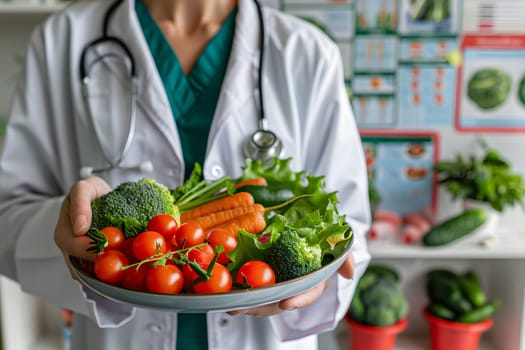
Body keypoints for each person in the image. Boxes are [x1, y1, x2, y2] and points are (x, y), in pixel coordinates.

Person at [0, 0, 371, 349]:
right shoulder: (61, 41)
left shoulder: (306, 53)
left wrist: (319, 277)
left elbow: (345, 219)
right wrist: (70, 223)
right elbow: (8, 215)